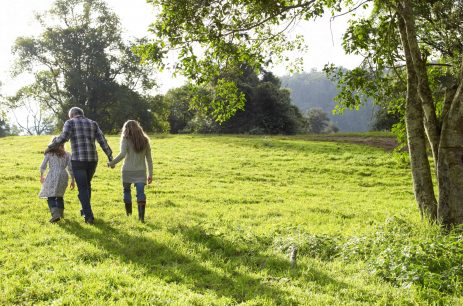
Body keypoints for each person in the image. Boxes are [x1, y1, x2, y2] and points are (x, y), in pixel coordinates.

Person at [47, 107, 112, 224]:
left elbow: (63, 138)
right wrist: (110, 156)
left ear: (71, 115)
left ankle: (89, 216)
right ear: (82, 114)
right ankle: (84, 210)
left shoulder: (70, 122)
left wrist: (51, 146)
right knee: (87, 186)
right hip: (92, 160)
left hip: (78, 160)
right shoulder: (93, 123)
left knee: (82, 188)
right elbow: (102, 140)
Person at [108, 120, 153, 222]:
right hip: (141, 171)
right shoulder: (145, 140)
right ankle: (141, 218)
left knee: (126, 191)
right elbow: (149, 159)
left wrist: (112, 163)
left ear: (126, 129)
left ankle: (129, 216)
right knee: (141, 193)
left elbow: (122, 154)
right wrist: (150, 174)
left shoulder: (125, 139)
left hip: (127, 170)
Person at [39, 139, 75, 223]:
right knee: (59, 195)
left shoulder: (49, 154)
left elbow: (43, 166)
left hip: (52, 174)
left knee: (50, 195)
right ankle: (61, 214)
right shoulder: (67, 154)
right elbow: (70, 168)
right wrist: (73, 180)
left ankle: (55, 215)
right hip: (63, 175)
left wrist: (41, 175)